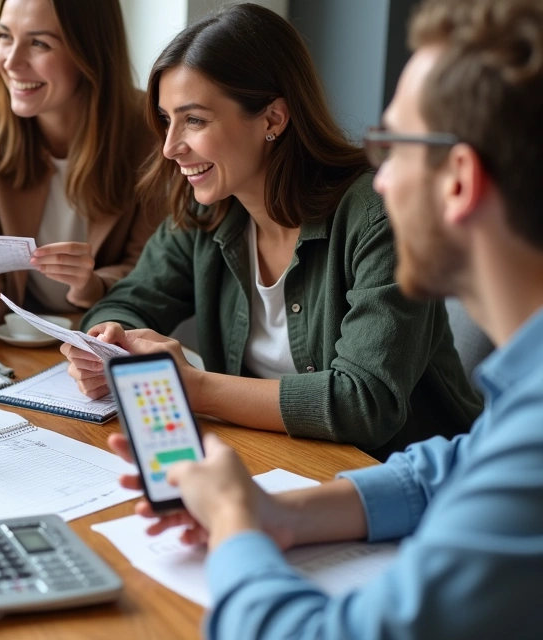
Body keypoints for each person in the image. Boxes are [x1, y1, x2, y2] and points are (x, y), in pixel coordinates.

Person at [110, 0, 543, 636]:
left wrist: (233, 520)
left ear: (458, 180)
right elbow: (448, 468)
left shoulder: (530, 451)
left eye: (394, 147)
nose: (382, 178)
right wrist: (281, 515)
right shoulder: (523, 397)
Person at [64, 3, 481, 457]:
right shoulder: (207, 212)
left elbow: (364, 403)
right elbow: (125, 302)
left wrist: (194, 387)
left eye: (195, 120)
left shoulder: (378, 218)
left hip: (404, 479)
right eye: (167, 120)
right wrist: (110, 344)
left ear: (273, 119)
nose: (169, 147)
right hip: (272, 458)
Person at [0, 0, 159, 328]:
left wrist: (91, 285)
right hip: (9, 338)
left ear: (90, 51)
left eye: (39, 43)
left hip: (106, 335)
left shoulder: (151, 130)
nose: (11, 62)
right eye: (5, 36)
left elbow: (151, 273)